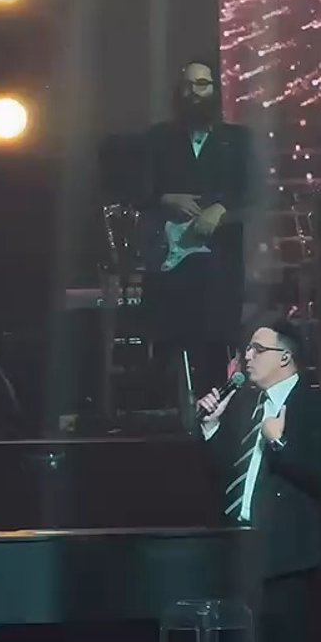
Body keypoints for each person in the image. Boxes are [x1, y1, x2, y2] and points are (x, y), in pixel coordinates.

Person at [197, 317, 321, 642]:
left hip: (287, 557)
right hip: (240, 551)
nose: (247, 357)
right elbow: (227, 476)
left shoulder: (314, 406)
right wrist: (211, 427)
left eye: (257, 349)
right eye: (247, 349)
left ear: (285, 357)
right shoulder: (245, 406)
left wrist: (282, 442)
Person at [139, 60, 260, 398]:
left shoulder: (238, 139)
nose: (194, 92)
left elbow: (254, 191)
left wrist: (221, 209)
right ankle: (169, 403)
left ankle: (214, 405)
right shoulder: (158, 138)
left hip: (220, 261)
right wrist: (167, 198)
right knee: (171, 342)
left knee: (216, 340)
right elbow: (136, 190)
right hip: (169, 261)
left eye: (202, 84)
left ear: (215, 90)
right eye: (188, 85)